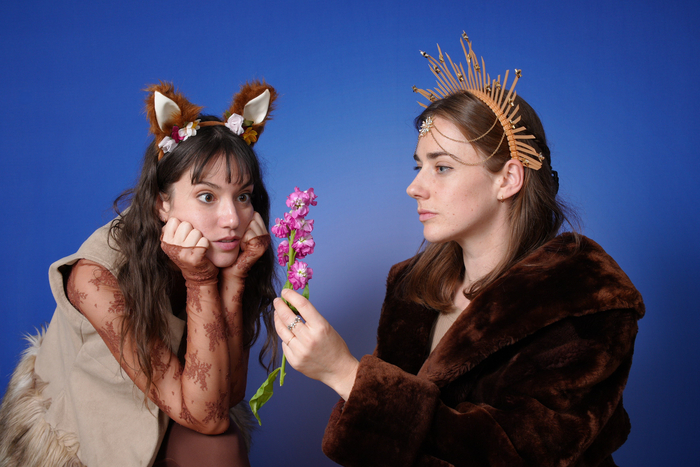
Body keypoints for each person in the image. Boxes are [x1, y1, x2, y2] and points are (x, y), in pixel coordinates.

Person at [273, 33, 645, 466]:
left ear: (507, 179)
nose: (415, 187)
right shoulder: (411, 288)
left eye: (442, 167)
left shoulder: (584, 300)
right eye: (419, 166)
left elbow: (516, 454)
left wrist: (345, 374)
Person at [0, 80, 279, 467]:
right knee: (215, 437)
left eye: (243, 196)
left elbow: (225, 398)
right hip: (92, 439)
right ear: (162, 203)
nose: (233, 219)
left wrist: (233, 280)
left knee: (220, 447)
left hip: (184, 408)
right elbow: (207, 417)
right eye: (207, 197)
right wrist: (200, 281)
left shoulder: (227, 253)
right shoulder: (94, 279)